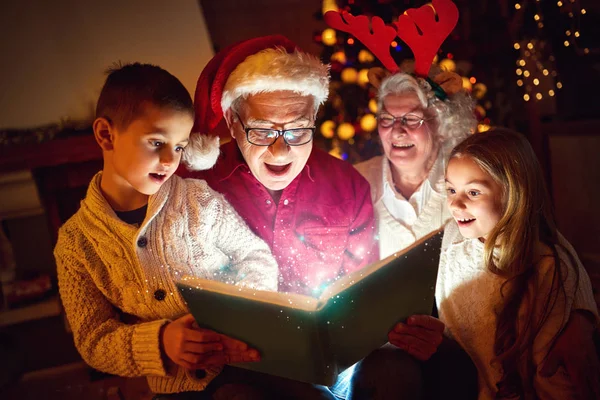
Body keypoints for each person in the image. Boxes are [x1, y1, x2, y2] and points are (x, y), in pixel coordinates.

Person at [53, 63, 280, 396]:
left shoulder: (198, 200)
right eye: (156, 142)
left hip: (245, 368)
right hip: (173, 387)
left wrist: (236, 318)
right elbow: (93, 339)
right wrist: (160, 341)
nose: (169, 160)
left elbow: (256, 257)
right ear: (106, 135)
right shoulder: (75, 244)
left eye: (178, 147)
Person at [439, 127, 599, 399]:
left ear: (512, 193)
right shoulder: (453, 236)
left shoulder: (546, 267)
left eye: (474, 193)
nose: (456, 204)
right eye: (451, 189)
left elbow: (554, 378)